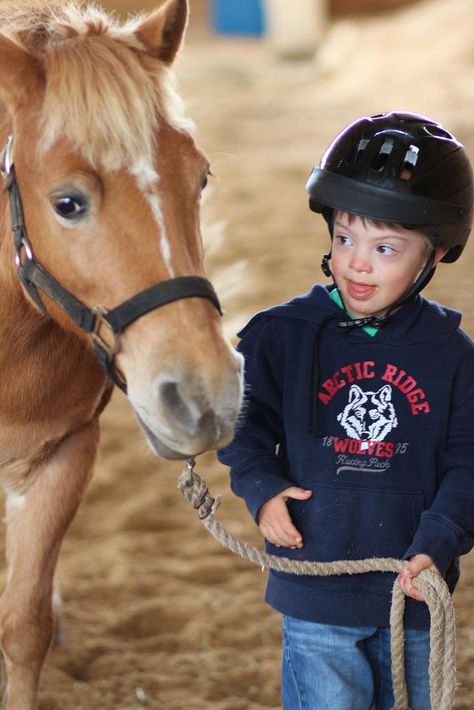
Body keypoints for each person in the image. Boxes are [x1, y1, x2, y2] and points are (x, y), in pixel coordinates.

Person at [218, 111, 474, 710]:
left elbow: (469, 462)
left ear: (432, 256)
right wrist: (261, 487)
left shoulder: (453, 356)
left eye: (384, 247)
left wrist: (439, 539)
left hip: (412, 595)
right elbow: (240, 422)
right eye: (343, 239)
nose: (357, 262)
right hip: (316, 596)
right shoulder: (281, 335)